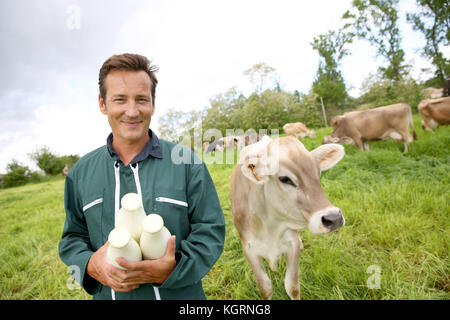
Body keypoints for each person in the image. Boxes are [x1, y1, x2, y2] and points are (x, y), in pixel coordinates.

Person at [58, 53, 225, 300]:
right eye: (120, 100)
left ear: (153, 104)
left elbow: (210, 230)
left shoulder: (188, 164)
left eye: (141, 99)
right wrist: (91, 264)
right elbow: (73, 237)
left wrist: (175, 267)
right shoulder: (80, 174)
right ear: (103, 104)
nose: (132, 111)